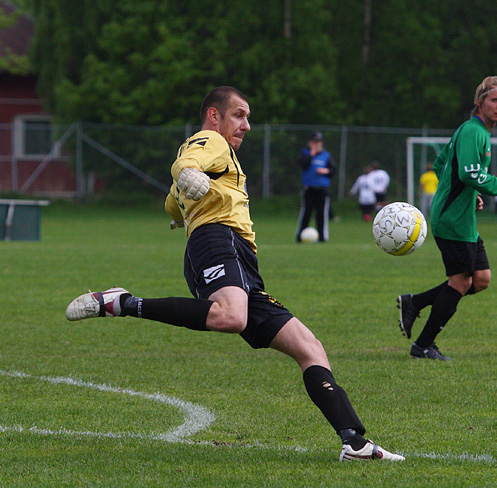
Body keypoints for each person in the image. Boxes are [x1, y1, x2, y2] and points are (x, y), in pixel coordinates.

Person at [66, 87, 403, 462]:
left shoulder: (221, 156)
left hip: (240, 259)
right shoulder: (210, 139)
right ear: (214, 115)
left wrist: (183, 205)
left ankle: (354, 442)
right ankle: (122, 303)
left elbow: (172, 203)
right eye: (239, 115)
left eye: (247, 117)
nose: (246, 125)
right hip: (216, 241)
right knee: (230, 316)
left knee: (309, 348)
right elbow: (183, 167)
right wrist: (188, 175)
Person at [395, 76, 497, 360]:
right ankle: (422, 345)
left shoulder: (475, 131)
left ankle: (414, 302)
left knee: (481, 279)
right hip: (453, 220)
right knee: (462, 282)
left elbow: (442, 165)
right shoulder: (473, 131)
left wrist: (466, 192)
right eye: (495, 101)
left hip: (462, 219)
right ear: (480, 103)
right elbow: (467, 173)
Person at [295, 131, 335, 242]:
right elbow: (303, 164)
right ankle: (300, 236)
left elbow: (332, 170)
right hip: (309, 188)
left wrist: (326, 170)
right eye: (314, 142)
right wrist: (311, 154)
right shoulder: (305, 153)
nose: (316, 144)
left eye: (318, 142)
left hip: (322, 189)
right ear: (310, 143)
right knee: (306, 212)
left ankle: (322, 237)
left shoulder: (326, 155)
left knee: (321, 214)